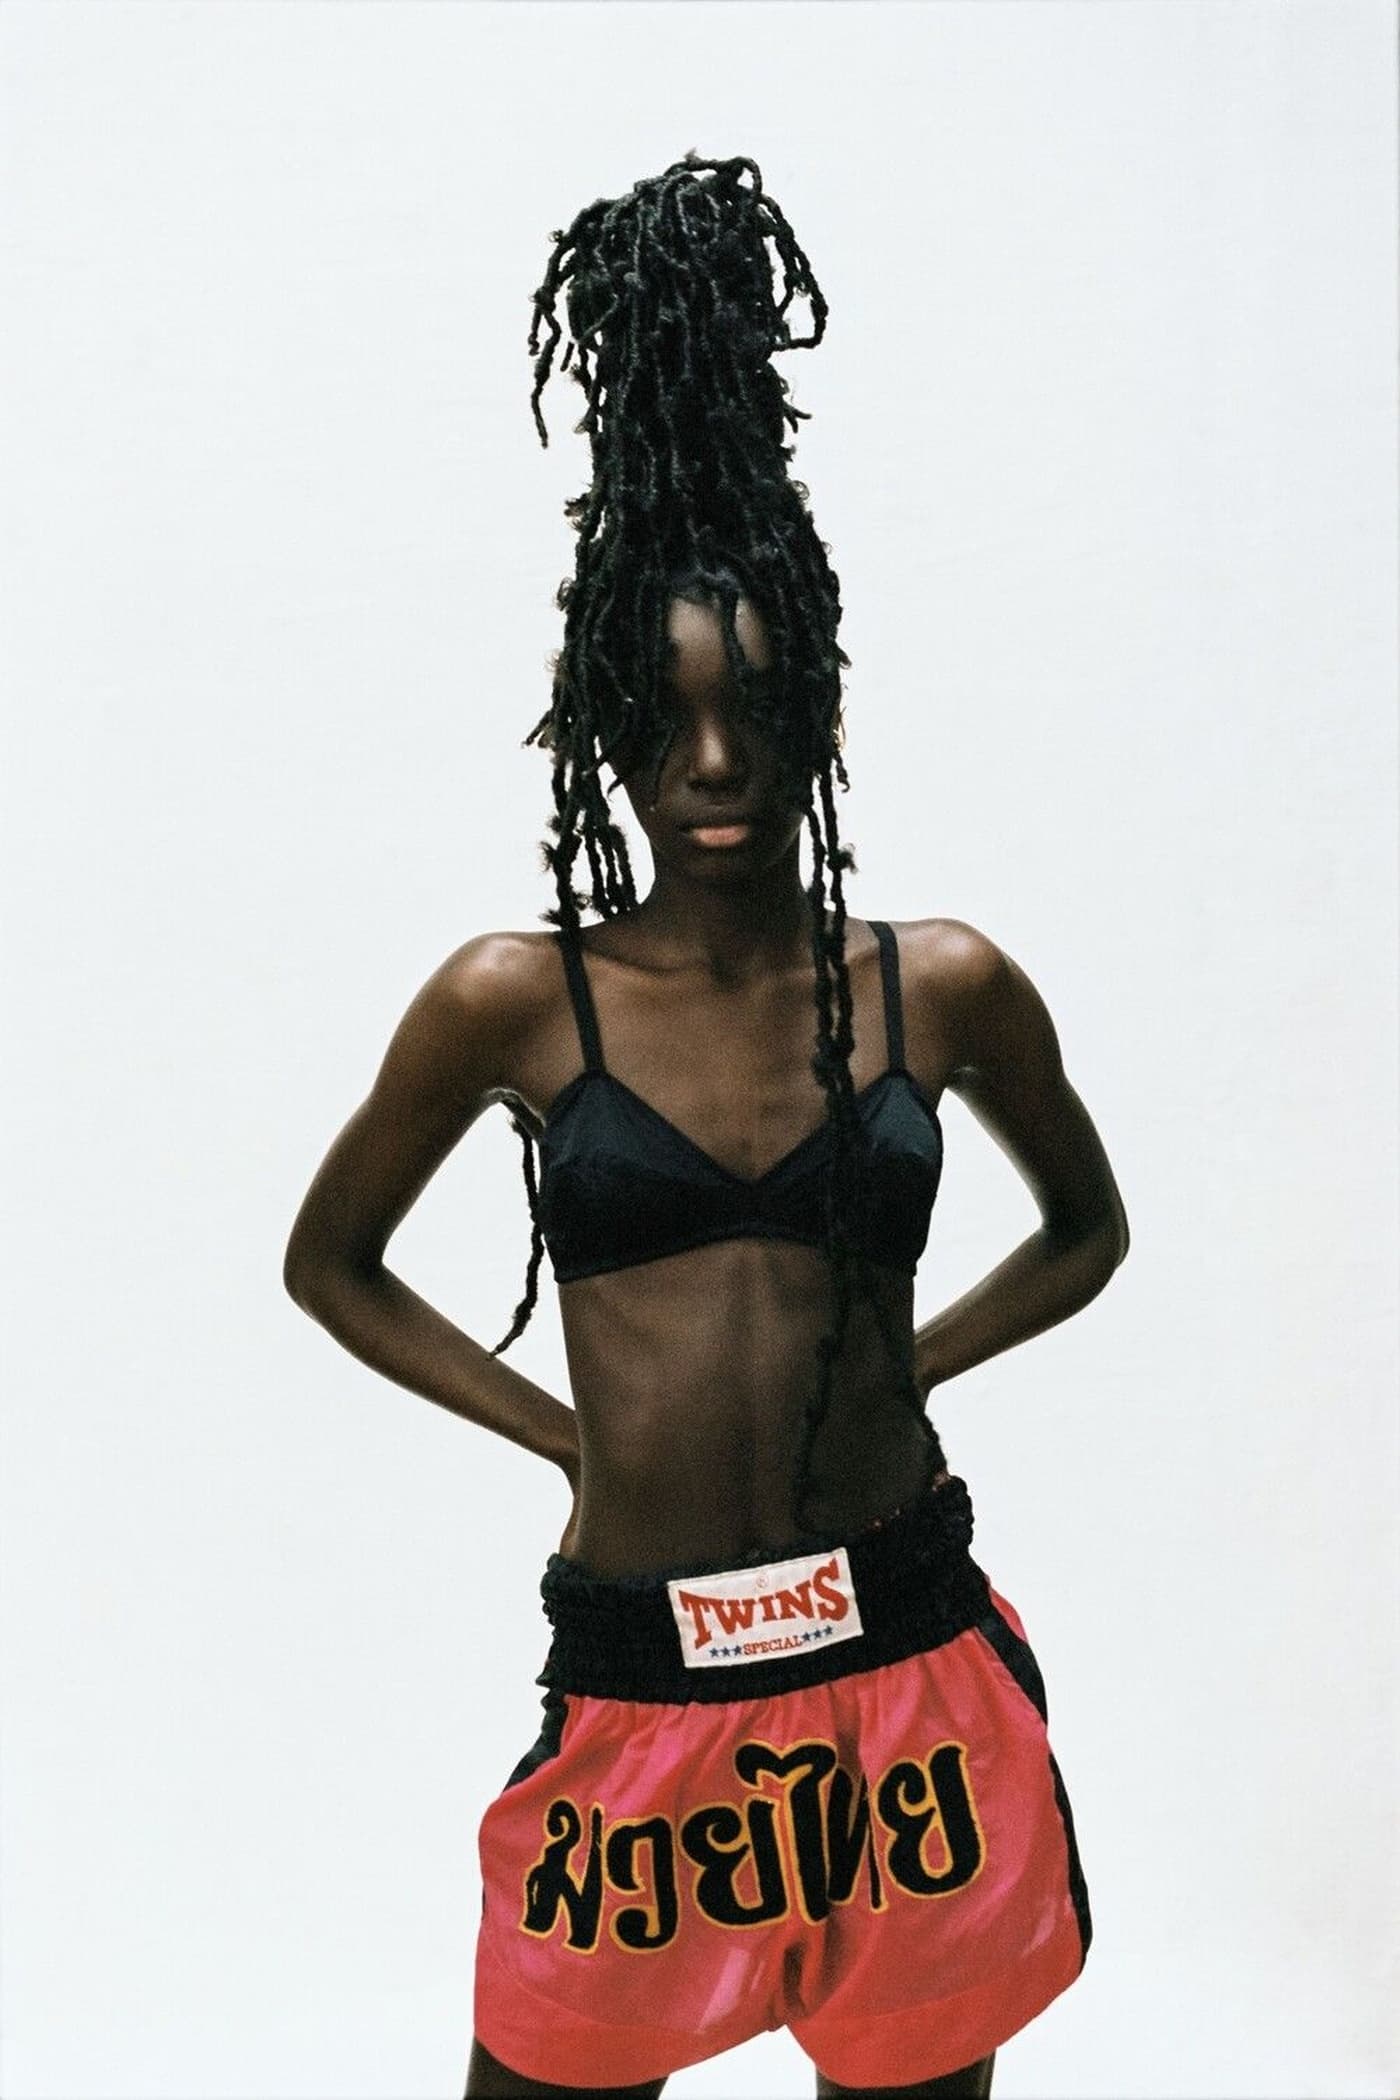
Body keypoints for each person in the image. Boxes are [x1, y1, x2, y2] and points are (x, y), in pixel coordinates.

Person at [283, 152, 1129, 2100]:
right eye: (664, 721)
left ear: (820, 707)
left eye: (756, 708)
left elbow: (1089, 1230)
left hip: (898, 1660)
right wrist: (564, 1435)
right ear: (604, 732)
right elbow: (331, 1265)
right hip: (645, 1667)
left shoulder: (942, 985)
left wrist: (910, 1361)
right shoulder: (517, 998)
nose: (716, 764)